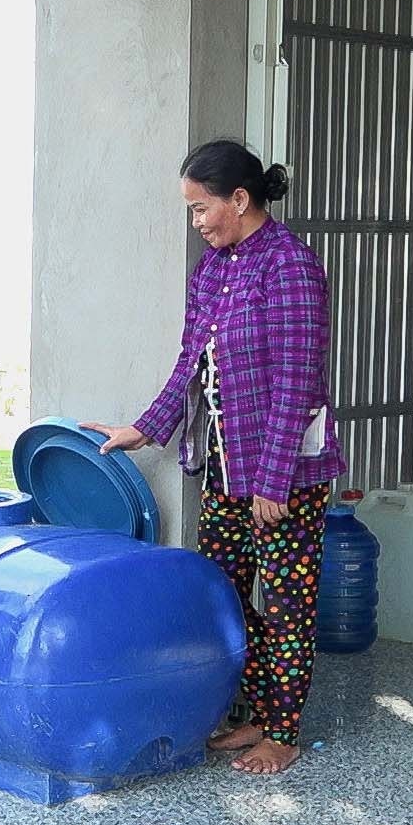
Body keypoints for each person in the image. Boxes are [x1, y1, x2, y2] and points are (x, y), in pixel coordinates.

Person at [83, 139, 346, 776]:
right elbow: (190, 364)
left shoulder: (290, 266)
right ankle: (256, 707)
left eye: (203, 208)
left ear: (240, 199)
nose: (197, 221)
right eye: (190, 210)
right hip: (225, 468)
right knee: (223, 594)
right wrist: (145, 429)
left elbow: (296, 380)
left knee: (285, 600)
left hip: (282, 473)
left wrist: (274, 479)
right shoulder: (214, 268)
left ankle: (282, 730)